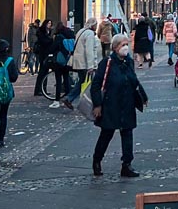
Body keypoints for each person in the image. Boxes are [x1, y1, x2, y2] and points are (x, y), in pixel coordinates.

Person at [90, 33, 147, 178]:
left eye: (127, 44)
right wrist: (97, 104)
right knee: (106, 134)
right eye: (123, 45)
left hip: (127, 103)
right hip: (111, 104)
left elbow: (134, 80)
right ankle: (97, 161)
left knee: (127, 133)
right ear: (115, 48)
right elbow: (96, 84)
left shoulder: (128, 62)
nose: (126, 47)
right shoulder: (107, 63)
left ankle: (126, 165)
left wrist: (143, 96)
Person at [64, 18, 102, 109]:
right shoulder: (89, 34)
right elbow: (89, 51)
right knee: (89, 84)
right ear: (93, 25)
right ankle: (90, 103)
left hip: (78, 61)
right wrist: (91, 66)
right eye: (95, 25)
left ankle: (70, 98)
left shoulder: (81, 31)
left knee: (82, 81)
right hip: (84, 63)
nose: (96, 27)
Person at [47, 20, 76, 103]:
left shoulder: (59, 37)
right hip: (67, 59)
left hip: (59, 61)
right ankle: (68, 97)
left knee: (58, 80)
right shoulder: (70, 36)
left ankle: (57, 99)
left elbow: (53, 48)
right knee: (66, 78)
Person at [31, 20, 55, 97]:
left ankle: (43, 89)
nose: (49, 25)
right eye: (48, 23)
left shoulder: (49, 32)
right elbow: (44, 41)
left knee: (45, 72)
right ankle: (38, 90)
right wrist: (51, 40)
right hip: (42, 54)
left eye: (50, 23)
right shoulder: (41, 32)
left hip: (47, 53)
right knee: (42, 72)